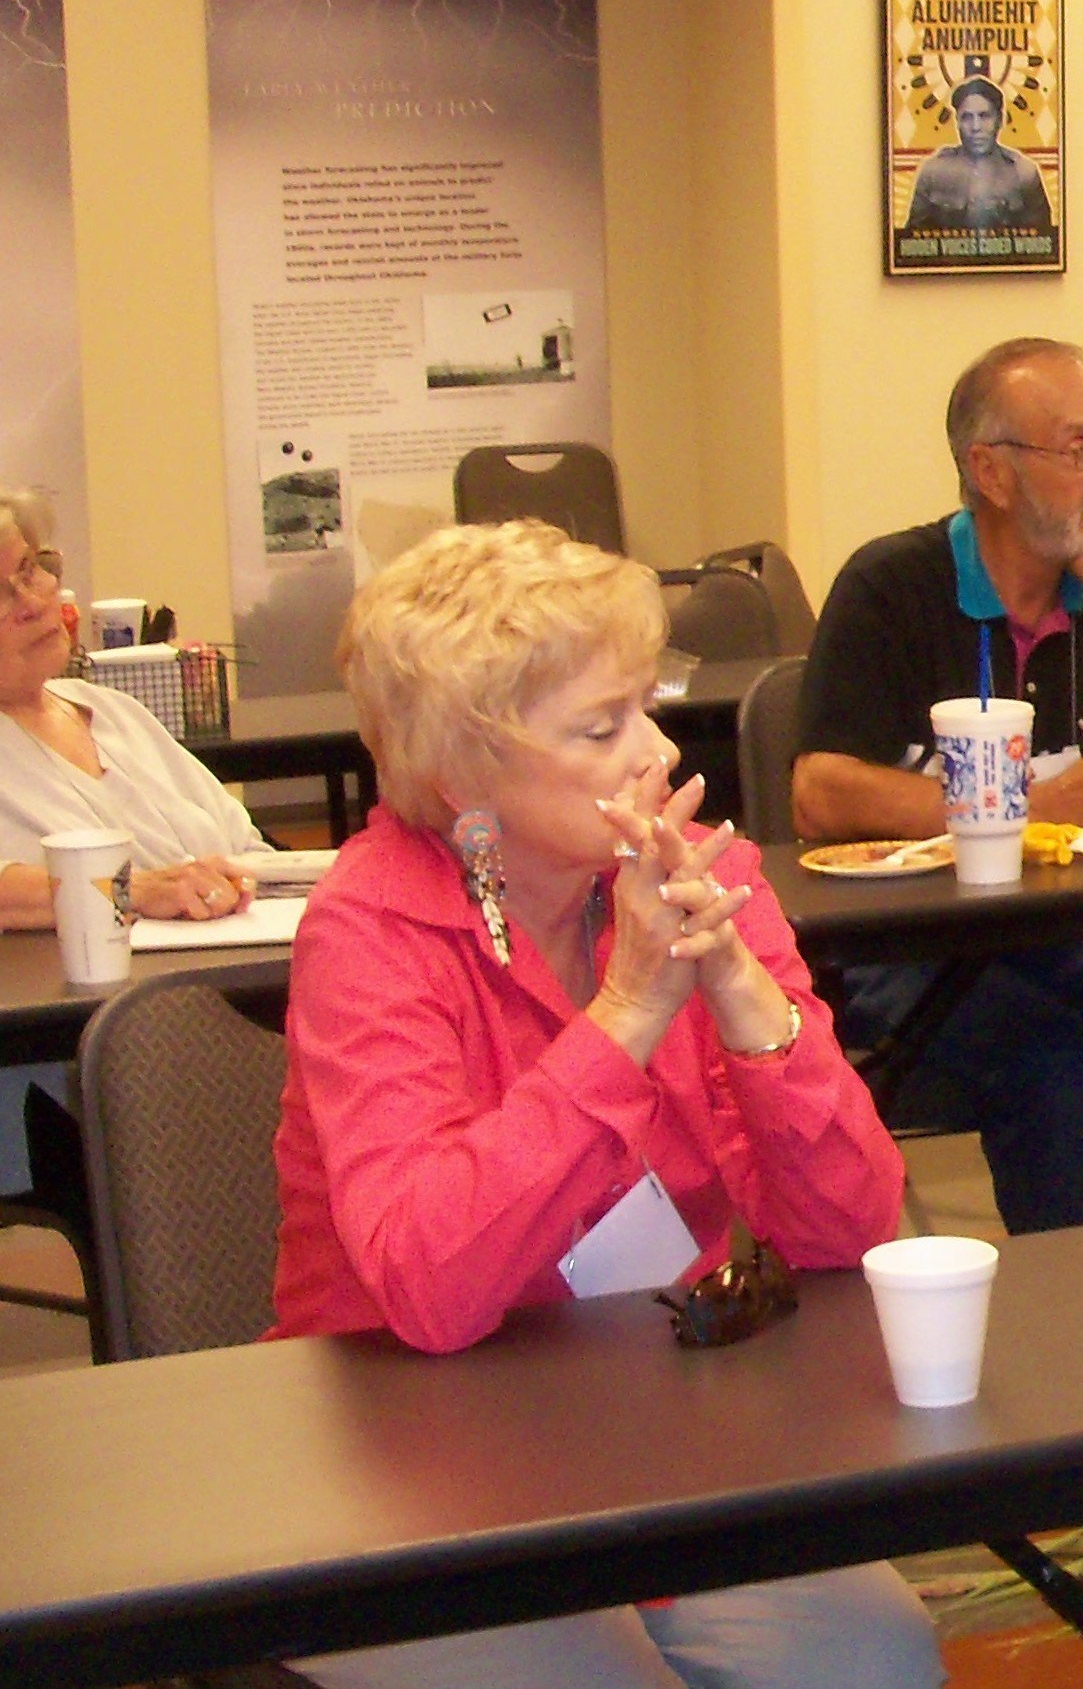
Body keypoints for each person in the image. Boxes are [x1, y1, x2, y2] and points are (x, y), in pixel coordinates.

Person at [272, 521, 938, 1687]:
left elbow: (851, 1233)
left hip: (653, 1431)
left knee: (871, 1657)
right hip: (409, 1457)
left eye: (645, 707)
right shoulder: (372, 929)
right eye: (601, 726)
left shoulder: (704, 877)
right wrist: (626, 1012)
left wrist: (744, 1005)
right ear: (462, 774)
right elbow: (428, 1287)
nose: (655, 751)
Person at [794, 337, 1083, 1231]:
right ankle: (1079, 1331)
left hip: (1077, 923)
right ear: (990, 472)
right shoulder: (892, 586)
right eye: (1080, 450)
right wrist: (1025, 807)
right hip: (917, 945)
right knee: (1053, 1071)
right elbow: (821, 792)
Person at [0, 487, 267, 1221]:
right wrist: (130, 889)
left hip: (220, 1002)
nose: (31, 601)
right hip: (77, 1056)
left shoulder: (116, 712)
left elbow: (245, 846)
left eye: (31, 570)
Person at [902, 77, 1054, 234]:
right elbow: (913, 242)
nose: (975, 127)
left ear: (1000, 120)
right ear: (957, 122)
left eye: (984, 116)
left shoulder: (1024, 172)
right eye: (967, 117)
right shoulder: (934, 171)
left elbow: (1042, 242)